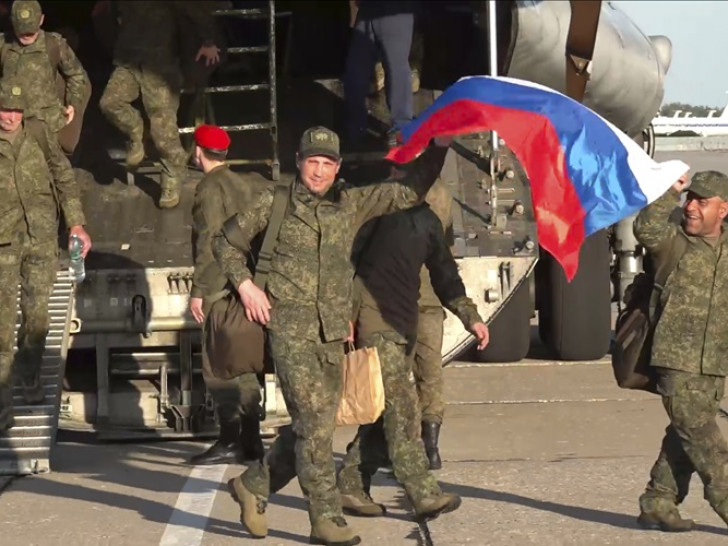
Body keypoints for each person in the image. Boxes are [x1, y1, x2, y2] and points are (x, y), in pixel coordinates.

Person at [213, 126, 454, 546]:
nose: (319, 171)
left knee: (315, 424)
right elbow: (224, 243)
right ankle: (325, 518)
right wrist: (246, 286)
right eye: (313, 162)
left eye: (328, 163)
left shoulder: (350, 204)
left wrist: (440, 147)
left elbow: (407, 193)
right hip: (290, 331)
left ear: (338, 167)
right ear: (299, 162)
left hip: (332, 334)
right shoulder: (275, 201)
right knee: (314, 425)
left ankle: (253, 485)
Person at [336, 178, 489, 518]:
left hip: (405, 322)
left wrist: (471, 317)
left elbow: (445, 275)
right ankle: (423, 492)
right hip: (375, 320)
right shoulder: (376, 214)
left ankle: (350, 483)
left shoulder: (427, 221)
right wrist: (345, 314)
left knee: (382, 412)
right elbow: (348, 265)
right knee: (404, 409)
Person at [634, 170, 728, 532]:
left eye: (701, 202)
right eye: (690, 199)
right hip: (675, 360)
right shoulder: (673, 242)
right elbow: (646, 229)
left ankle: (658, 501)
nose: (691, 207)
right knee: (708, 445)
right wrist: (669, 191)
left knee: (683, 436)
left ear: (722, 210)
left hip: (714, 364)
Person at [0, 79, 91, 430]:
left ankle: (29, 373)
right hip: (4, 245)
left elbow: (63, 177)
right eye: (3, 109)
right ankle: (3, 403)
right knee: (2, 326)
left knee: (37, 318)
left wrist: (76, 224)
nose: (9, 117)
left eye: (14, 110)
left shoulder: (38, 134)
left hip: (40, 239)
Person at [187, 124, 266, 466]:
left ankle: (230, 439)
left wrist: (199, 291)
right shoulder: (244, 183)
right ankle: (251, 441)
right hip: (248, 285)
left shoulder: (209, 188)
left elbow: (210, 243)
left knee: (218, 367)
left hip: (220, 288)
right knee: (244, 363)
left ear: (198, 151)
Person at [99, 1, 221, 209]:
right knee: (110, 103)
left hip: (161, 65)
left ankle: (172, 173)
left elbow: (196, 11)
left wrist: (208, 41)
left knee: (162, 128)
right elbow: (109, 18)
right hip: (129, 61)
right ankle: (136, 131)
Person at [0, 0, 91, 156]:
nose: (26, 35)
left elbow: (77, 76)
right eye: (21, 30)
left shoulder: (54, 44)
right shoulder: (3, 45)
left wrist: (73, 104)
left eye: (31, 31)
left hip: (47, 125)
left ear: (41, 20)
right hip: (12, 124)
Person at [413, 178, 454, 470]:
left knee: (392, 377)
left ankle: (398, 445)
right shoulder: (440, 192)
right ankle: (432, 447)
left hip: (394, 300)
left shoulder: (391, 190)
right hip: (430, 297)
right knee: (430, 374)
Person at [344, 1, 420, 149]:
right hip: (387, 10)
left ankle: (357, 127)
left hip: (377, 9)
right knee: (393, 67)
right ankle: (400, 127)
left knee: (362, 66)